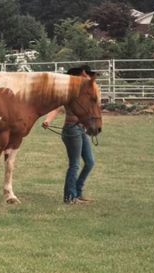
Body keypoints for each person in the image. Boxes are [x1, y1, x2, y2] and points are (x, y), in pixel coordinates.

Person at [42, 66, 96, 204]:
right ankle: (70, 197)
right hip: (71, 130)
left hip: (82, 129)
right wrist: (48, 120)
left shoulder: (85, 91)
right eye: (83, 75)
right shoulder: (68, 92)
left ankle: (77, 191)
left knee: (89, 162)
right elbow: (56, 107)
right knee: (75, 164)